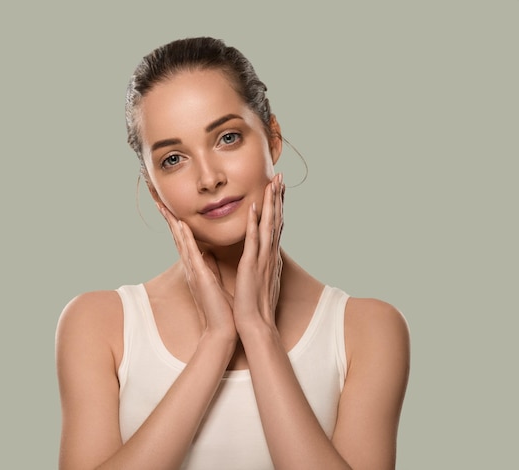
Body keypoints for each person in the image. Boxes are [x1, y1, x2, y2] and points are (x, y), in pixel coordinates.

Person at [55, 37, 410, 470]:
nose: (208, 178)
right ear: (153, 188)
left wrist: (259, 332)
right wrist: (217, 340)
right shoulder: (99, 324)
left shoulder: (367, 330)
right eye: (173, 159)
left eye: (227, 137)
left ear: (272, 138)